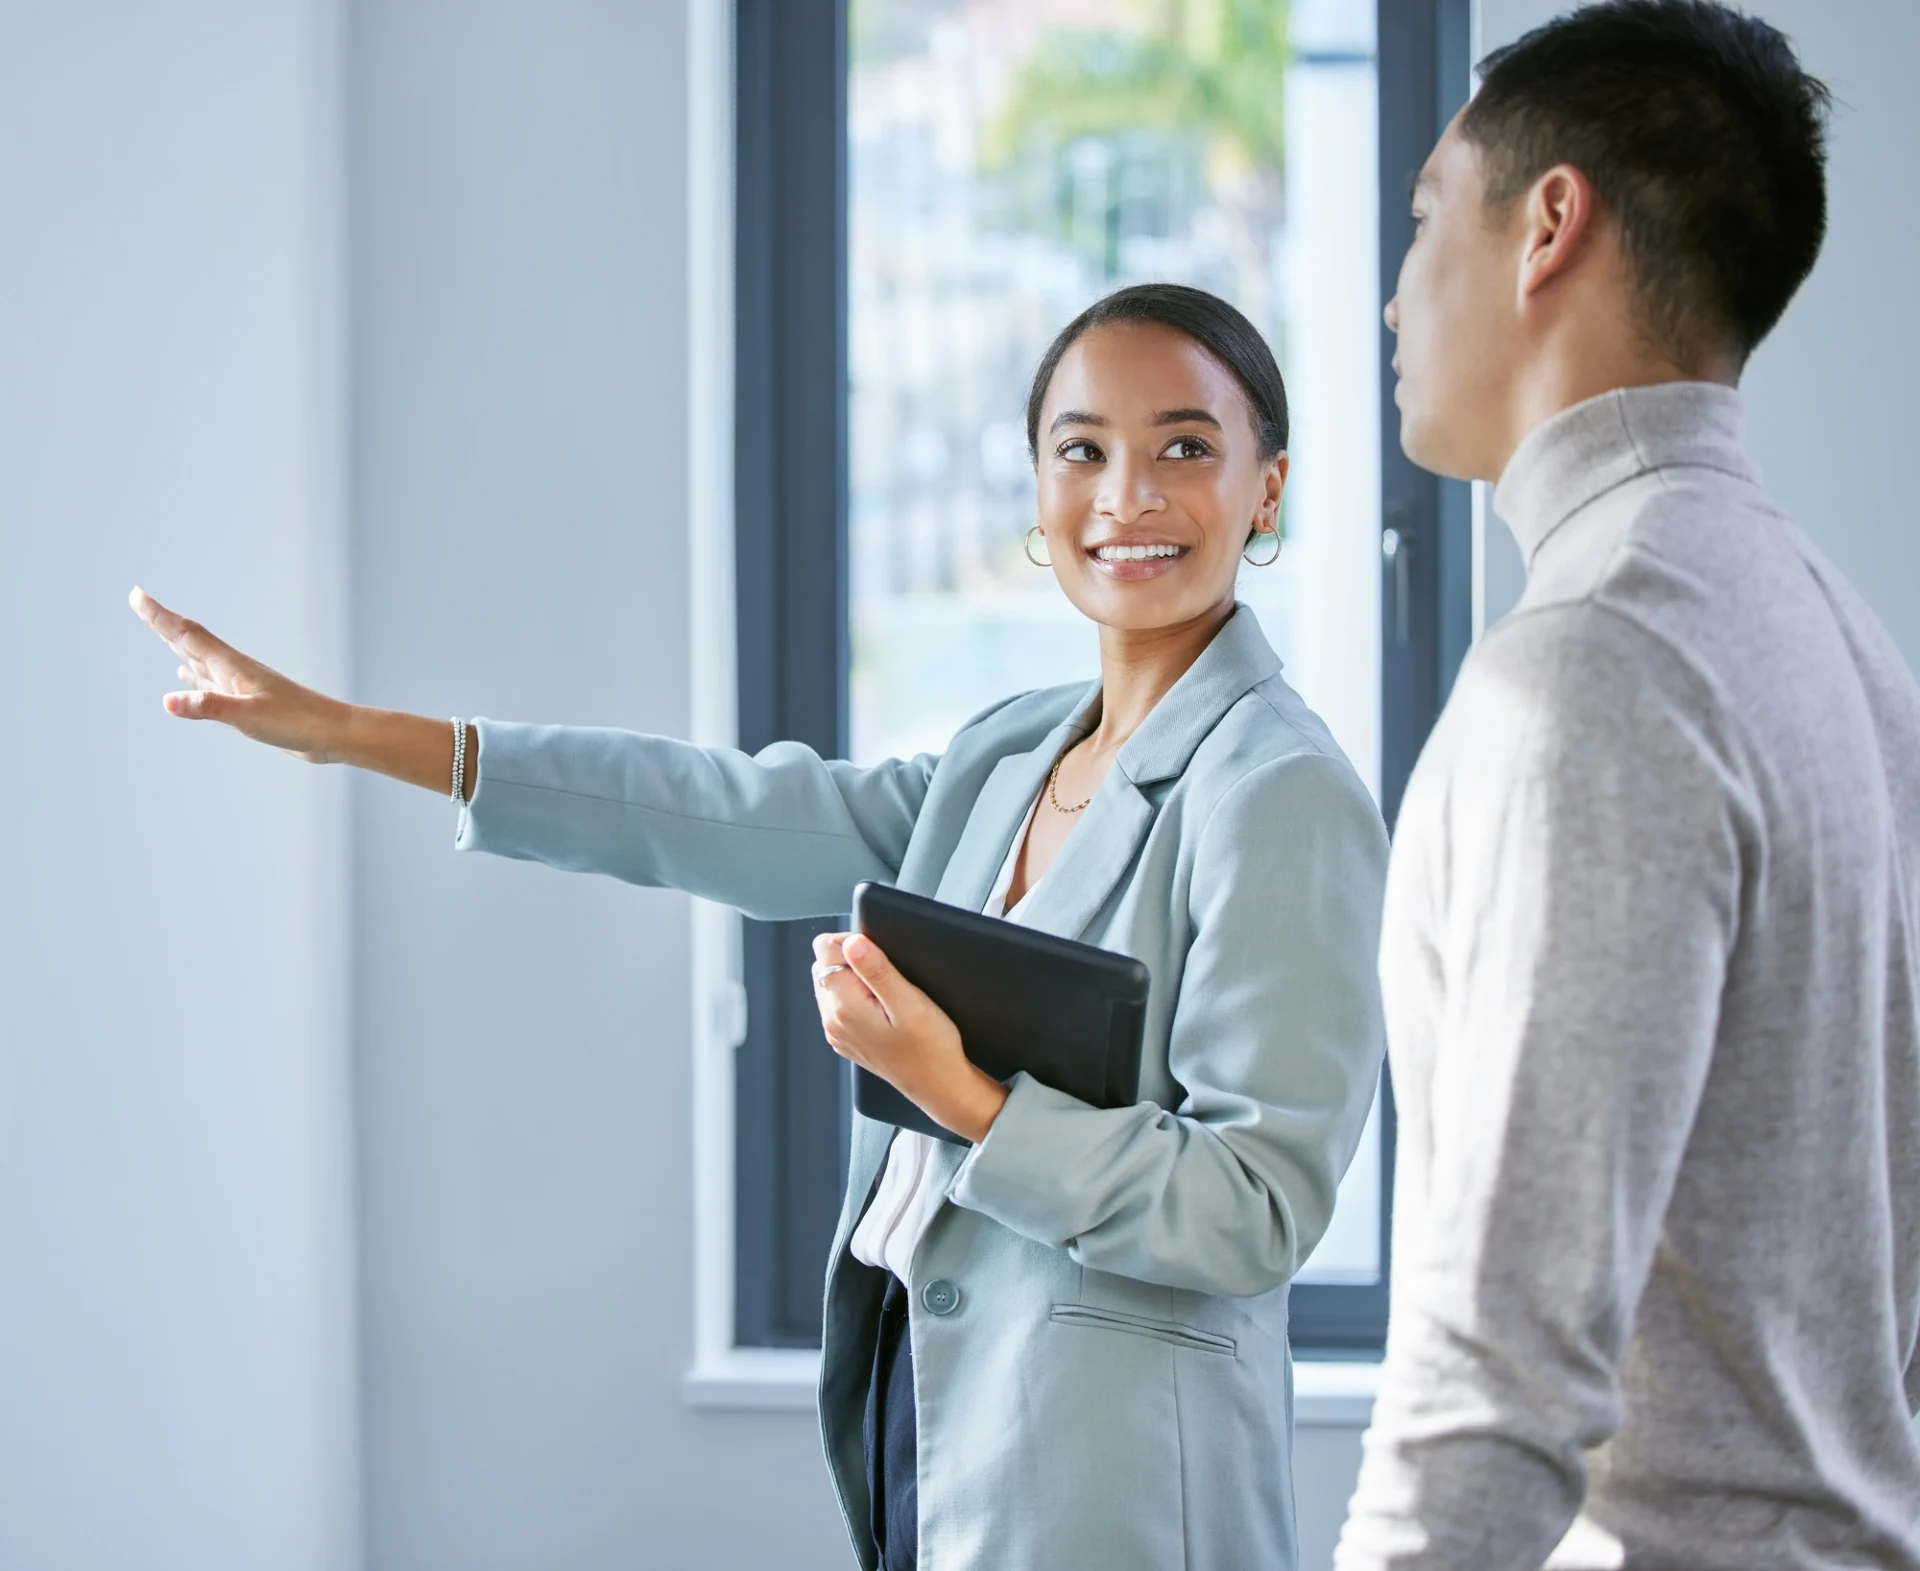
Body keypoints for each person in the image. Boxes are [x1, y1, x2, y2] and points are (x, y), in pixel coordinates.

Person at [133, 282, 1390, 1571]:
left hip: (1114, 1478)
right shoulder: (1013, 748)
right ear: (1036, 487)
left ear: (1268, 488)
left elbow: (1255, 1209)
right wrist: (351, 734)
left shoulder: (1278, 792)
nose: (1127, 495)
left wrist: (961, 1097)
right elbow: (726, 811)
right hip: (936, 1400)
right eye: (1083, 450)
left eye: (1185, 447)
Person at [1336, 4, 1920, 1569]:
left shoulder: (1596, 666)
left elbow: (1498, 1371)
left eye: (1416, 226)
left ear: (1548, 225)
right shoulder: (1837, 635)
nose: (1392, 299)